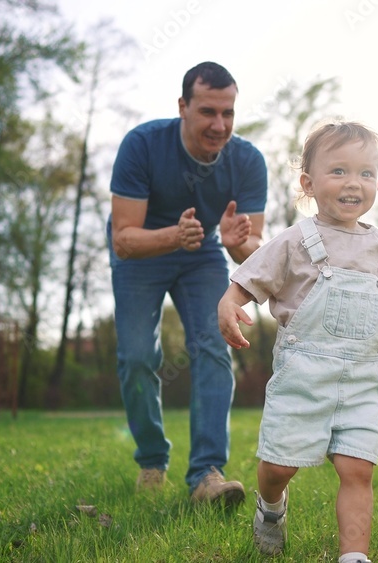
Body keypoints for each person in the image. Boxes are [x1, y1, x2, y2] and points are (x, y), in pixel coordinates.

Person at [217, 121, 378, 562]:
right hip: (304, 377)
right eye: (338, 171)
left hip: (361, 378)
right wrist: (230, 302)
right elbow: (252, 276)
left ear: (377, 182)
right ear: (308, 183)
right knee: (280, 467)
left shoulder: (377, 244)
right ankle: (270, 506)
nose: (353, 183)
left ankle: (354, 555)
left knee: (358, 469)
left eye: (365, 173)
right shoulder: (296, 240)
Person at [108, 61, 267, 505]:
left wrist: (238, 244)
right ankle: (152, 460)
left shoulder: (248, 161)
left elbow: (252, 250)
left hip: (202, 256)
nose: (220, 125)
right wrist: (172, 237)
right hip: (143, 250)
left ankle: (206, 474)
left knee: (217, 342)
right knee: (138, 356)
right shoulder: (142, 145)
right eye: (208, 112)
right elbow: (123, 239)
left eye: (228, 113)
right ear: (183, 106)